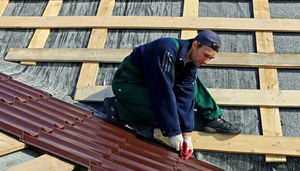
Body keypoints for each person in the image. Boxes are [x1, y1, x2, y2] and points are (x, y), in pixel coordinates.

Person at [103, 30, 241, 156]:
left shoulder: (191, 60)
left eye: (210, 58)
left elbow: (186, 94)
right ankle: (117, 108)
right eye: (205, 55)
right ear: (195, 44)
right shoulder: (165, 50)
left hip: (150, 82)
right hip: (128, 84)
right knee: (162, 112)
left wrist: (187, 134)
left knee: (192, 83)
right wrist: (173, 133)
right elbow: (162, 93)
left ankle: (211, 117)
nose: (206, 61)